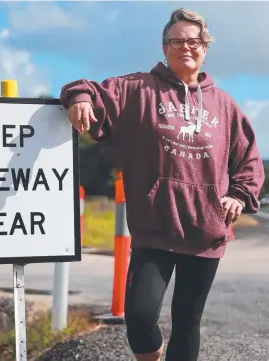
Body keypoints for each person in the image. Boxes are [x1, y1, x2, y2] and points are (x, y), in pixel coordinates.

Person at [60, 7, 265, 361]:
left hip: (205, 231)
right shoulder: (139, 89)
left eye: (194, 40)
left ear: (206, 47)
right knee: (139, 316)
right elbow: (87, 89)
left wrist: (238, 195)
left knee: (187, 323)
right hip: (155, 227)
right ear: (165, 47)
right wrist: (79, 99)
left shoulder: (225, 105)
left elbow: (248, 160)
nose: (186, 47)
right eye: (177, 41)